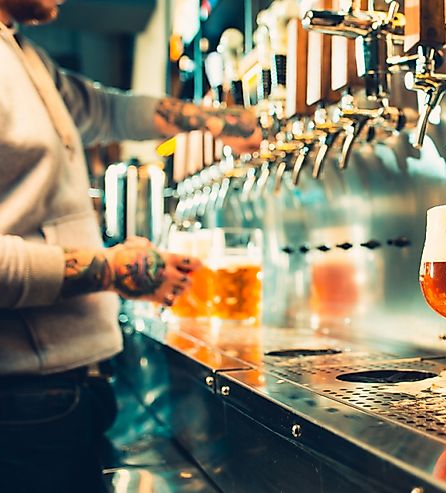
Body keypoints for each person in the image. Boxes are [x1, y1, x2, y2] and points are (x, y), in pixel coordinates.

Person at [0, 0, 262, 491]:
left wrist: (215, 120)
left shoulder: (20, 51)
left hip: (64, 392)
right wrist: (112, 269)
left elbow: (105, 109)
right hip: (21, 402)